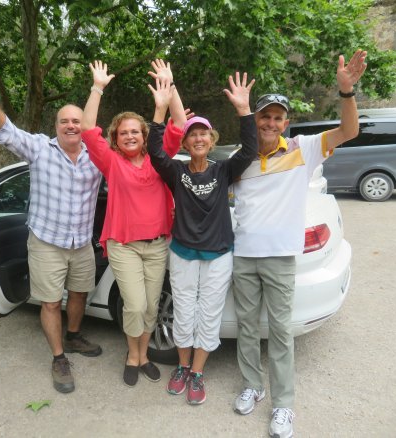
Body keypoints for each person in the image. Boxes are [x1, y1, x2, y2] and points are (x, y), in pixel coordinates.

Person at [230, 49, 368, 437]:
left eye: (278, 118)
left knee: (280, 332)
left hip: (279, 259)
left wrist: (346, 92)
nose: (271, 123)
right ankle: (253, 385)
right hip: (244, 256)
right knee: (246, 328)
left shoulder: (302, 149)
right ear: (255, 119)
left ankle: (283, 405)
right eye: (265, 116)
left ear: (286, 123)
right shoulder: (240, 159)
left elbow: (349, 131)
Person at [0, 60, 103, 394]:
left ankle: (73, 336)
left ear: (84, 125)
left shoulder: (97, 157)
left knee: (80, 294)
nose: (71, 126)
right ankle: (59, 357)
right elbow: (5, 130)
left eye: (76, 121)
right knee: (50, 302)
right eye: (64, 121)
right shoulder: (40, 148)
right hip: (46, 242)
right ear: (55, 126)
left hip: (81, 242)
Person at [147, 73, 258, 405]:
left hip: (218, 254)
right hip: (183, 253)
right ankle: (182, 367)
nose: (198, 138)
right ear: (185, 143)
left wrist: (244, 110)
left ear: (211, 141)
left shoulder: (223, 170)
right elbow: (155, 152)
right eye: (192, 134)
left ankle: (197, 372)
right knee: (183, 312)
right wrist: (159, 110)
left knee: (209, 314)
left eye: (203, 134)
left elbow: (250, 150)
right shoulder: (177, 172)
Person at [80, 59, 187, 387]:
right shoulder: (111, 161)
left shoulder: (158, 157)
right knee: (135, 304)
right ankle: (133, 355)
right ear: (116, 137)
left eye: (135, 131)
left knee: (151, 307)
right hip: (123, 245)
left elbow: (180, 123)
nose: (129, 136)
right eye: (123, 132)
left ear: (144, 135)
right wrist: (97, 88)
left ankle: (143, 356)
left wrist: (171, 87)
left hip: (157, 245)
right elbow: (87, 128)